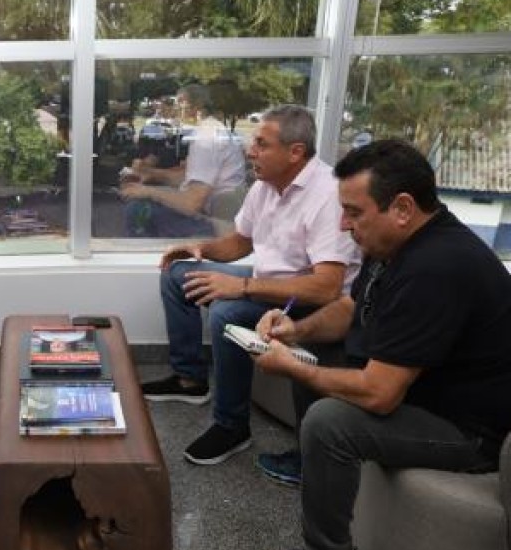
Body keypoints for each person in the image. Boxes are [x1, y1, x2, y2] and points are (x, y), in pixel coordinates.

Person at [250, 139, 511, 550]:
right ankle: (318, 474)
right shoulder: (390, 243)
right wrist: (295, 331)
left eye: (353, 212)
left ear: (403, 208)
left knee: (329, 422)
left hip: (467, 430)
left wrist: (292, 367)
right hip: (424, 391)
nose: (343, 224)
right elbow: (352, 308)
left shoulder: (439, 267)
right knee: (314, 350)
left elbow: (379, 394)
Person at [140, 104, 361, 465]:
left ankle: (231, 426)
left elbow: (326, 288)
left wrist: (241, 288)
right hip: (269, 284)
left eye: (261, 144)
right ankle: (189, 379)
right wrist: (199, 249)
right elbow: (241, 242)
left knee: (226, 312)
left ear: (295, 152)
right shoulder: (265, 186)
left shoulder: (329, 196)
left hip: (309, 301)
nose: (250, 150)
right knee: (178, 273)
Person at [121, 83, 247, 237]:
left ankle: (140, 252)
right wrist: (151, 173)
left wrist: (147, 191)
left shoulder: (206, 138)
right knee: (150, 201)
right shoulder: (211, 130)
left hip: (217, 226)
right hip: (218, 214)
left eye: (179, 102)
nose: (175, 107)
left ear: (193, 106)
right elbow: (188, 178)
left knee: (139, 209)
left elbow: (191, 203)